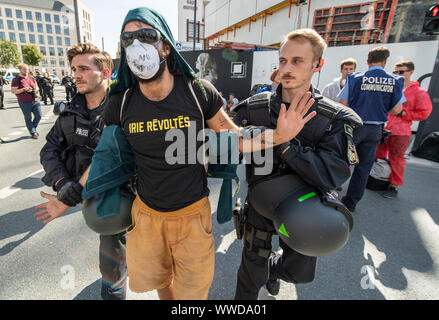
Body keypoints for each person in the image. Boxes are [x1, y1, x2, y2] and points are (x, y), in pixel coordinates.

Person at [34, 7, 311, 301]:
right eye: (128, 39)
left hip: (192, 217)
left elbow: (235, 137)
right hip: (147, 216)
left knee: (191, 295)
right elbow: (105, 155)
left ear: (166, 45)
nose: (136, 45)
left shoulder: (198, 92)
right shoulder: (121, 101)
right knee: (161, 282)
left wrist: (279, 136)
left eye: (146, 35)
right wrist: (68, 196)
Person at [233, 28, 362, 300]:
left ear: (318, 64)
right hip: (260, 203)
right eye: (282, 61)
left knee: (299, 273)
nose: (286, 68)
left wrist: (286, 144)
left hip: (306, 208)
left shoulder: (335, 117)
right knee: (248, 278)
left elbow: (333, 172)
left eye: (297, 61)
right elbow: (223, 143)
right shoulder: (252, 109)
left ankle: (272, 271)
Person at [34, 43, 129, 300]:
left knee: (113, 252)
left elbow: (109, 157)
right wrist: (62, 182)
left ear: (106, 73)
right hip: (84, 192)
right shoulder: (70, 110)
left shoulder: (125, 107)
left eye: (84, 69)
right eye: (74, 68)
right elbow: (49, 151)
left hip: (120, 193)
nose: (76, 74)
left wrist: (67, 197)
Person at [338, 46, 404, 212]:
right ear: (385, 61)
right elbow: (397, 109)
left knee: (340, 159)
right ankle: (350, 202)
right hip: (375, 129)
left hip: (354, 126)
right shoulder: (394, 80)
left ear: (367, 61)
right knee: (363, 167)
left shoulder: (355, 78)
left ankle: (327, 193)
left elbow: (343, 104)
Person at [375, 61, 432, 198]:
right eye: (395, 72)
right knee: (378, 155)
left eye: (401, 72)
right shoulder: (391, 87)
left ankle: (393, 186)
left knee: (397, 159)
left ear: (411, 72)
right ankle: (378, 179)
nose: (398, 75)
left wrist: (403, 113)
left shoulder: (419, 92)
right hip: (384, 127)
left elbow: (424, 112)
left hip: (401, 131)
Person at [11, 64, 42, 139]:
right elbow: (13, 91)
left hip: (35, 100)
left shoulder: (31, 78)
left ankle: (32, 128)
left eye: (27, 69)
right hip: (24, 102)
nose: (26, 71)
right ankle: (33, 132)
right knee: (28, 117)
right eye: (24, 69)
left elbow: (36, 86)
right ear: (20, 70)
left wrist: (35, 90)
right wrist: (24, 89)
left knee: (39, 115)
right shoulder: (16, 79)